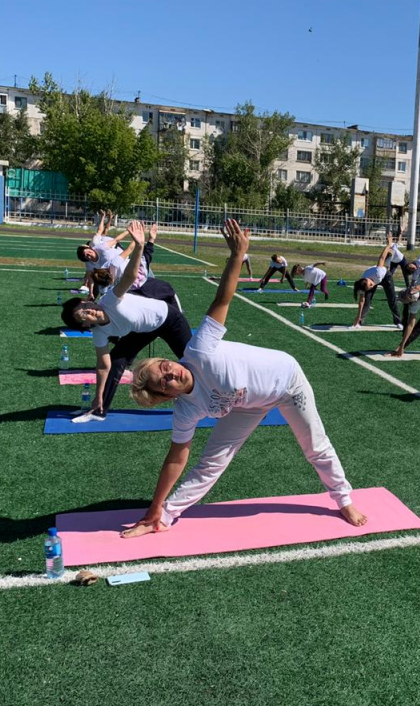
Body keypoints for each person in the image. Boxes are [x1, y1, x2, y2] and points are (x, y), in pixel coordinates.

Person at [122, 219, 367, 536]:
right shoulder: (186, 410)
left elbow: (222, 299)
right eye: (164, 382)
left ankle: (343, 498)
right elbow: (176, 460)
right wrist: (155, 505)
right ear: (165, 397)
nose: (171, 373)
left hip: (287, 382)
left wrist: (237, 255)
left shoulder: (199, 351)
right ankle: (164, 518)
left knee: (314, 447)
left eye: (166, 366)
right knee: (212, 462)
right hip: (248, 405)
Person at [60, 221, 192, 423]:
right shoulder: (99, 333)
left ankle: (212, 393)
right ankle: (99, 410)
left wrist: (139, 246)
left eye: (86, 306)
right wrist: (98, 395)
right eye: (83, 315)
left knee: (193, 360)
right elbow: (103, 366)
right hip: (143, 329)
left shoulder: (109, 301)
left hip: (170, 319)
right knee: (116, 360)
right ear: (84, 325)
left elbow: (129, 276)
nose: (89, 311)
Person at [352, 235, 403, 328]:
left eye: (371, 285)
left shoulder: (377, 272)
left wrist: (389, 244)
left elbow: (382, 258)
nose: (372, 286)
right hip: (376, 277)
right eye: (370, 287)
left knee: (392, 299)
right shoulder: (363, 283)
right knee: (367, 300)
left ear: (367, 280)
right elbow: (361, 302)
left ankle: (398, 321)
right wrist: (357, 317)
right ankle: (360, 322)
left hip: (386, 276)